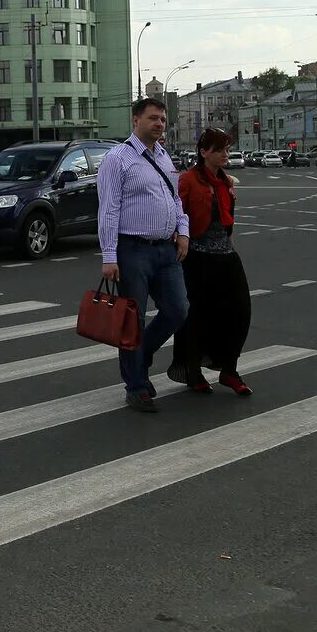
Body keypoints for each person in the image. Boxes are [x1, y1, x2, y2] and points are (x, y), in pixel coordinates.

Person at [97, 97, 190, 413]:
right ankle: (136, 386)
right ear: (136, 120)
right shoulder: (118, 159)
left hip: (166, 248)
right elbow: (108, 209)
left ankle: (142, 354)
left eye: (162, 119)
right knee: (132, 321)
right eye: (153, 118)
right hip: (132, 250)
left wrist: (184, 232)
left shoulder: (164, 157)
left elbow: (176, 200)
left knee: (178, 310)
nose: (159, 124)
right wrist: (109, 256)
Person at [167, 128, 253, 395]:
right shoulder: (188, 180)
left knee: (239, 312)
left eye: (227, 149)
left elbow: (228, 219)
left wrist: (230, 239)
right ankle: (193, 370)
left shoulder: (225, 181)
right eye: (220, 150)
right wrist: (180, 241)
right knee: (198, 317)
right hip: (197, 258)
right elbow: (176, 215)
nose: (226, 154)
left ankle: (229, 369)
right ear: (204, 152)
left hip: (226, 256)